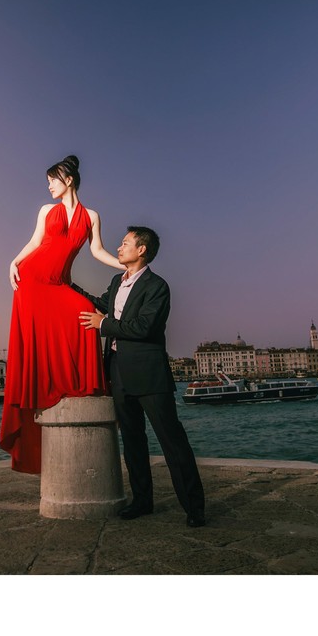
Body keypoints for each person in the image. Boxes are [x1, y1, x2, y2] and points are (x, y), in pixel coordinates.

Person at [0, 155, 124, 474]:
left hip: (58, 283)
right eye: (48, 182)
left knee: (85, 311)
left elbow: (96, 251)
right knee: (43, 336)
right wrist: (13, 262)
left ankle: (81, 385)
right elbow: (35, 241)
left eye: (53, 180)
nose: (49, 186)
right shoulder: (46, 211)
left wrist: (125, 265)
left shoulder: (91, 216)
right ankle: (51, 385)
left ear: (68, 179)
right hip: (32, 280)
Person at [78, 226, 206, 527]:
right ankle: (142, 501)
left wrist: (104, 325)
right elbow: (100, 304)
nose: (119, 248)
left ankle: (194, 507)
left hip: (150, 375)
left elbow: (143, 328)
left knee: (172, 442)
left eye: (125, 244)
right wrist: (67, 286)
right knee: (133, 441)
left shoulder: (157, 286)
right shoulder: (116, 281)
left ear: (142, 250)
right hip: (118, 371)